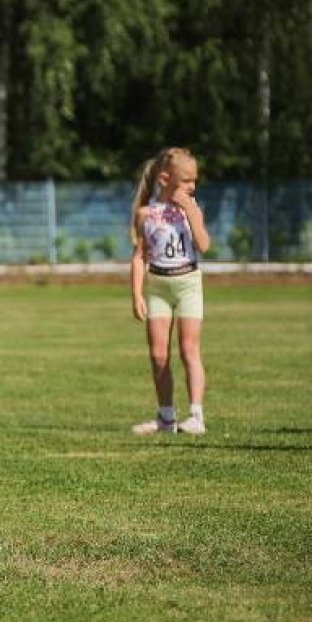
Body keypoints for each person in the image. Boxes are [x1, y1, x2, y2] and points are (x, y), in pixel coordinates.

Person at [128, 148, 211, 435]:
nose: (192, 186)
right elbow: (140, 256)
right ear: (165, 179)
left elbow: (204, 245)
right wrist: (137, 294)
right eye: (186, 180)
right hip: (158, 287)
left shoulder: (192, 208)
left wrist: (190, 210)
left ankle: (196, 416)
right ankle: (166, 417)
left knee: (189, 350)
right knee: (158, 355)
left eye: (195, 180)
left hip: (188, 284)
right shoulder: (146, 214)